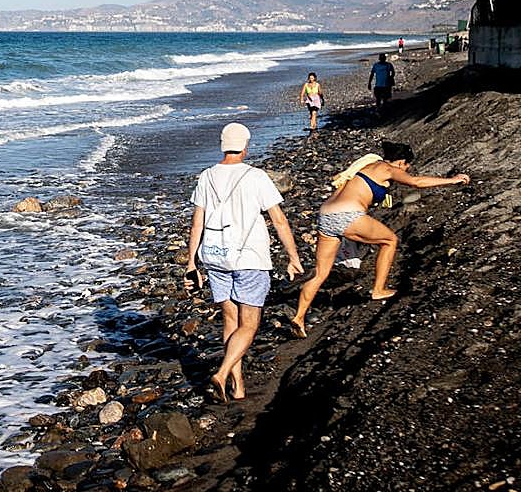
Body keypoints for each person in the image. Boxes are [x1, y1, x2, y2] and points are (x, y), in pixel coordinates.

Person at [289, 142, 469, 338]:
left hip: (325, 214)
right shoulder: (387, 168)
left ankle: (299, 317)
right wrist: (452, 180)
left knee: (321, 272)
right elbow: (416, 182)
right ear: (401, 162)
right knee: (390, 241)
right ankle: (378, 289)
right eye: (407, 165)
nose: (406, 169)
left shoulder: (366, 166)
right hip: (346, 215)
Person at [185, 122, 303, 402]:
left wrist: (191, 262)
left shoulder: (207, 176)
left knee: (230, 320)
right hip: (249, 258)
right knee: (249, 325)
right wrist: (293, 256)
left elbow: (196, 223)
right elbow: (278, 219)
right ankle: (222, 373)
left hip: (214, 257)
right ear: (246, 147)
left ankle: (238, 387)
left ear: (222, 145)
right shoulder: (256, 177)